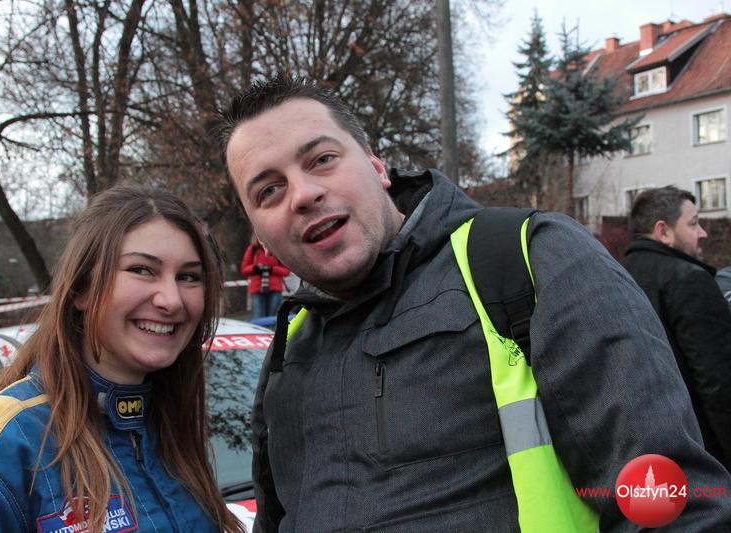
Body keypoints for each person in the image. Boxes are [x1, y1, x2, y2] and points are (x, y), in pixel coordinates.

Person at [212, 74, 731, 532]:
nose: (303, 194)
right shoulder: (290, 344)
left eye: (322, 159)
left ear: (376, 166)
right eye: (268, 190)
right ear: (258, 231)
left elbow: (669, 505)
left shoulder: (529, 258)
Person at [0, 187, 244, 533]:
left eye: (188, 277)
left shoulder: (174, 426)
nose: (172, 300)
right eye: (141, 269)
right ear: (81, 289)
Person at [622, 186, 731, 471]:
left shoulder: (615, 276)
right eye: (693, 224)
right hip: (703, 453)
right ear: (663, 231)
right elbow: (718, 382)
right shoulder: (690, 279)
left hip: (639, 454)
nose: (703, 233)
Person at [241, 234, 290, 318]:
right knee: (258, 317)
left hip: (275, 289)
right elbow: (244, 269)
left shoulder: (276, 249)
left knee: (273, 318)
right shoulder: (253, 249)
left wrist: (272, 269)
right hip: (257, 290)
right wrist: (255, 268)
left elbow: (286, 271)